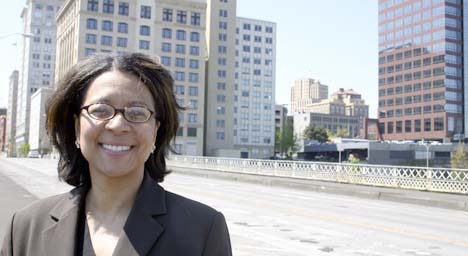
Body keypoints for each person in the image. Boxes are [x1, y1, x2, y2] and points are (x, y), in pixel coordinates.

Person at [1, 53, 232, 256]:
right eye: (100, 110)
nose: (117, 125)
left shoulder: (203, 230)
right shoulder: (24, 228)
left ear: (155, 131)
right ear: (76, 128)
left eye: (137, 112)